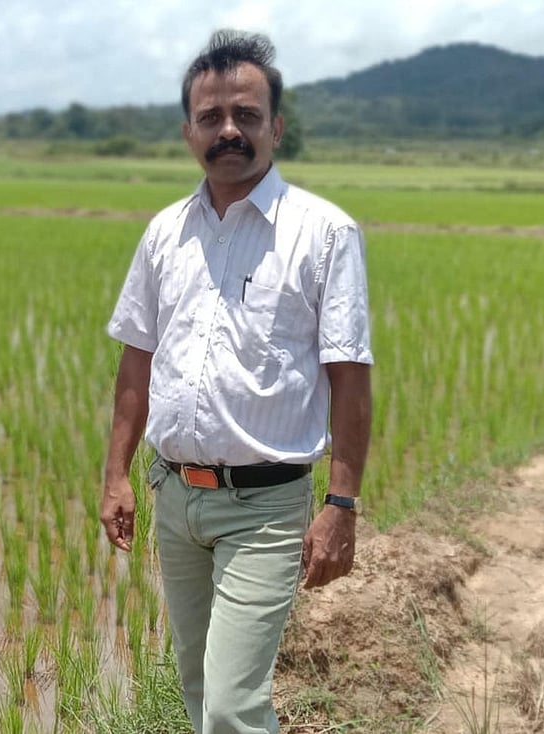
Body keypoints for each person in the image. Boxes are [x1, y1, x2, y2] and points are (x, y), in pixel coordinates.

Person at [100, 29, 373, 734]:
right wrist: (116, 475)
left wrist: (340, 504)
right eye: (211, 117)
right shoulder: (164, 233)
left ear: (275, 127)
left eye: (246, 116)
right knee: (196, 685)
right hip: (174, 497)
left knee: (231, 704)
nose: (229, 131)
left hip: (265, 508)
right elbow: (138, 360)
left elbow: (349, 379)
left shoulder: (324, 234)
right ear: (188, 130)